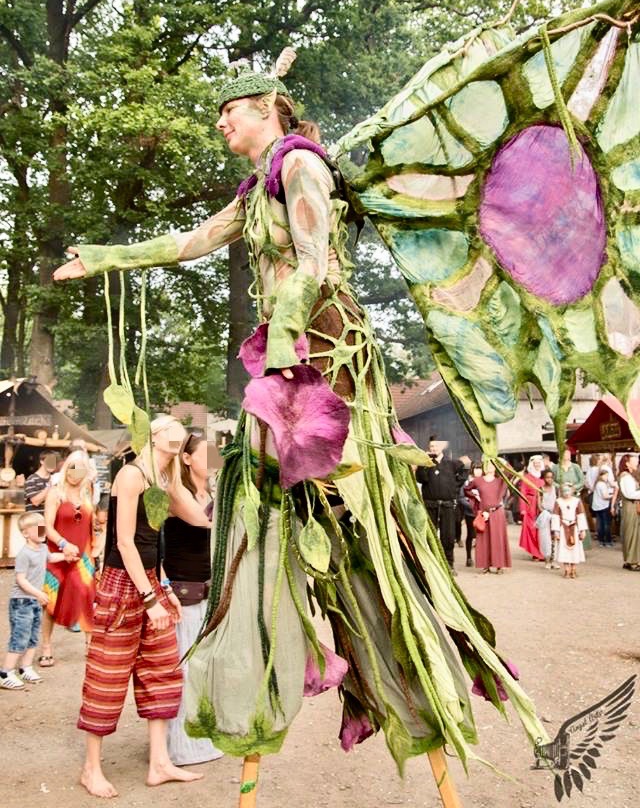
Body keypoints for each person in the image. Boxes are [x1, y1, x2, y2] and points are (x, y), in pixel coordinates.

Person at [54, 54, 546, 772]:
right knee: (268, 510)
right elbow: (190, 243)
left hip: (323, 351)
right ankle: (303, 656)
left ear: (266, 107)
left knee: (354, 517)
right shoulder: (256, 191)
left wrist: (284, 341)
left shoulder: (302, 166)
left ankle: (407, 664)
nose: (220, 123)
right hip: (286, 360)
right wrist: (106, 257)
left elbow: (313, 261)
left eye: (229, 110)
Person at [76, 415, 206, 798]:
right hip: (122, 583)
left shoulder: (163, 480)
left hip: (150, 579)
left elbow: (195, 522)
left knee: (163, 670)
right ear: (154, 434)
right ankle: (91, 768)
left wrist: (162, 588)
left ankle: (159, 763)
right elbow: (125, 542)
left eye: (182, 433)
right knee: (107, 674)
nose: (179, 434)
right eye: (171, 429)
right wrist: (150, 599)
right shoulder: (132, 475)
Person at [164, 430, 222, 766]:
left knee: (205, 668)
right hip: (182, 592)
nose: (214, 460)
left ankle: (204, 737)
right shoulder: (177, 491)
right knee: (185, 669)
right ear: (186, 458)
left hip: (207, 590)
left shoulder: (210, 492)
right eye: (206, 454)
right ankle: (181, 747)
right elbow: (204, 522)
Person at [41, 450, 98, 665]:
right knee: (51, 601)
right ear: (66, 468)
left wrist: (96, 544)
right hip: (58, 554)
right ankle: (46, 646)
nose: (76, 474)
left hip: (83, 555)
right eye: (73, 468)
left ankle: (90, 644)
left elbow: (92, 522)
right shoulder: (55, 493)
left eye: (81, 469)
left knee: (86, 595)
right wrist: (64, 545)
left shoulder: (87, 492)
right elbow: (47, 527)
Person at [0, 513, 65, 689]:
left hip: (35, 601)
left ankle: (25, 668)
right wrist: (38, 593)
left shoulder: (43, 549)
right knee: (20, 637)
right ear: (25, 533)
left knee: (32, 637)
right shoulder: (24, 554)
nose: (42, 530)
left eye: (43, 527)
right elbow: (21, 580)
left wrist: (66, 556)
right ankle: (6, 672)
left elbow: (51, 558)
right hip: (21, 602)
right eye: (38, 528)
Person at [416, 438, 465, 571]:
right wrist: (424, 462)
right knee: (430, 535)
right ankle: (431, 564)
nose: (433, 448)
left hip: (447, 505)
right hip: (430, 505)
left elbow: (465, 469)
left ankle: (449, 564)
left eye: (436, 446)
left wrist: (454, 487)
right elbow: (420, 478)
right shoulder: (426, 463)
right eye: (431, 446)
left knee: (448, 536)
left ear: (442, 447)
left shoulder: (451, 463)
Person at [466, 459, 511, 574]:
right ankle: (485, 565)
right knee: (484, 539)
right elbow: (467, 489)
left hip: (497, 512)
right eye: (487, 464)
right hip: (484, 513)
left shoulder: (500, 480)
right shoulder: (478, 480)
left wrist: (499, 460)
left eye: (492, 465)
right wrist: (476, 499)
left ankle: (499, 565)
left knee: (498, 538)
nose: (489, 467)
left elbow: (510, 471)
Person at [551, 483, 588, 578]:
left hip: (574, 528)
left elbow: (580, 515)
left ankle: (573, 569)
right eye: (564, 491)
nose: (566, 493)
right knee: (564, 549)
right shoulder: (558, 501)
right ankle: (567, 569)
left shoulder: (577, 501)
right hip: (563, 527)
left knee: (575, 549)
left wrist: (582, 530)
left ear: (572, 491)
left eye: (568, 490)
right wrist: (556, 531)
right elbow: (555, 516)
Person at [611, 454, 640, 571]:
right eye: (634, 461)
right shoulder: (626, 477)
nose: (637, 463)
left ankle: (630, 560)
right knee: (632, 533)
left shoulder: (627, 476)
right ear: (627, 463)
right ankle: (632, 561)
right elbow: (630, 494)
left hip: (631, 506)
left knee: (631, 533)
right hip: (630, 506)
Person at [518, 456, 544, 561]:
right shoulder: (527, 477)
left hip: (542, 505)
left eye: (539, 463)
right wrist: (523, 509)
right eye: (535, 463)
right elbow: (522, 493)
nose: (537, 465)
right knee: (532, 529)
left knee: (542, 530)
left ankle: (542, 552)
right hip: (530, 506)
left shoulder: (543, 476)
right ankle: (535, 553)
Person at [537, 469, 558, 569]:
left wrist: (556, 513)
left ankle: (554, 560)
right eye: (547, 477)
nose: (549, 479)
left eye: (551, 477)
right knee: (545, 537)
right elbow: (539, 504)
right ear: (544, 478)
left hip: (555, 514)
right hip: (545, 514)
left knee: (555, 537)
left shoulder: (556, 489)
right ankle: (547, 559)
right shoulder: (540, 489)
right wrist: (545, 512)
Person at [459, 461, 479, 568]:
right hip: (470, 513)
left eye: (480, 468)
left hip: (483, 512)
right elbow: (461, 497)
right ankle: (469, 557)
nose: (478, 471)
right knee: (471, 535)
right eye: (476, 468)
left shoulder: (485, 480)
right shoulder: (467, 481)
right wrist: (471, 506)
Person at [591, 464, 615, 547]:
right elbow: (605, 496)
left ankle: (601, 541)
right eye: (606, 476)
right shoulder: (602, 484)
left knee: (600, 524)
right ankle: (608, 541)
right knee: (606, 524)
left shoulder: (597, 484)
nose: (607, 477)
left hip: (597, 506)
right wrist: (612, 495)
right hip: (604, 506)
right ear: (601, 476)